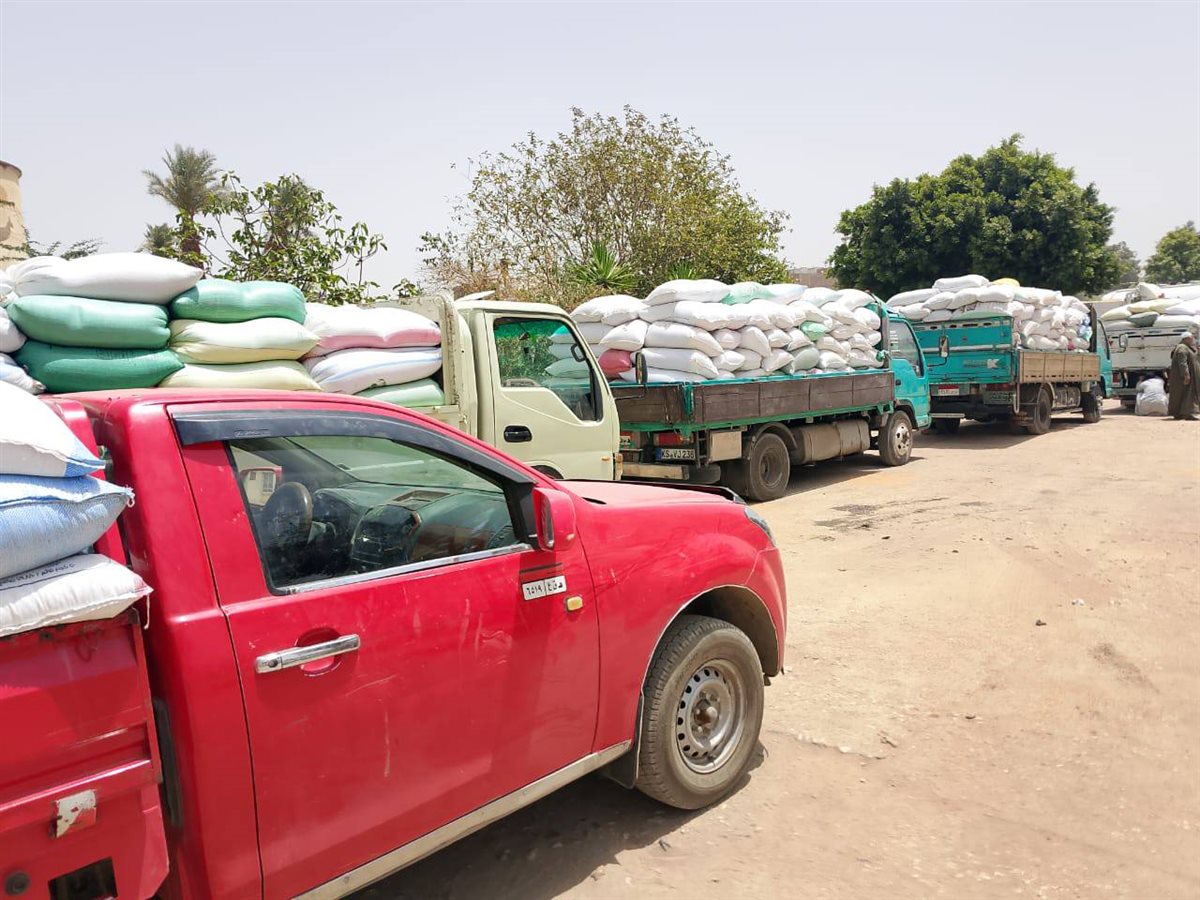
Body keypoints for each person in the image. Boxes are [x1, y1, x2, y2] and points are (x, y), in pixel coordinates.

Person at [1168, 332, 1199, 421]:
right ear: (1187, 339)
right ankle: (1186, 413)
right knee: (1187, 394)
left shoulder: (1186, 347)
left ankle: (1179, 413)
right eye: (1192, 338)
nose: (1193, 340)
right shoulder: (1182, 348)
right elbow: (1182, 363)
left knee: (1181, 394)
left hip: (1183, 377)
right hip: (1183, 377)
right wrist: (1186, 375)